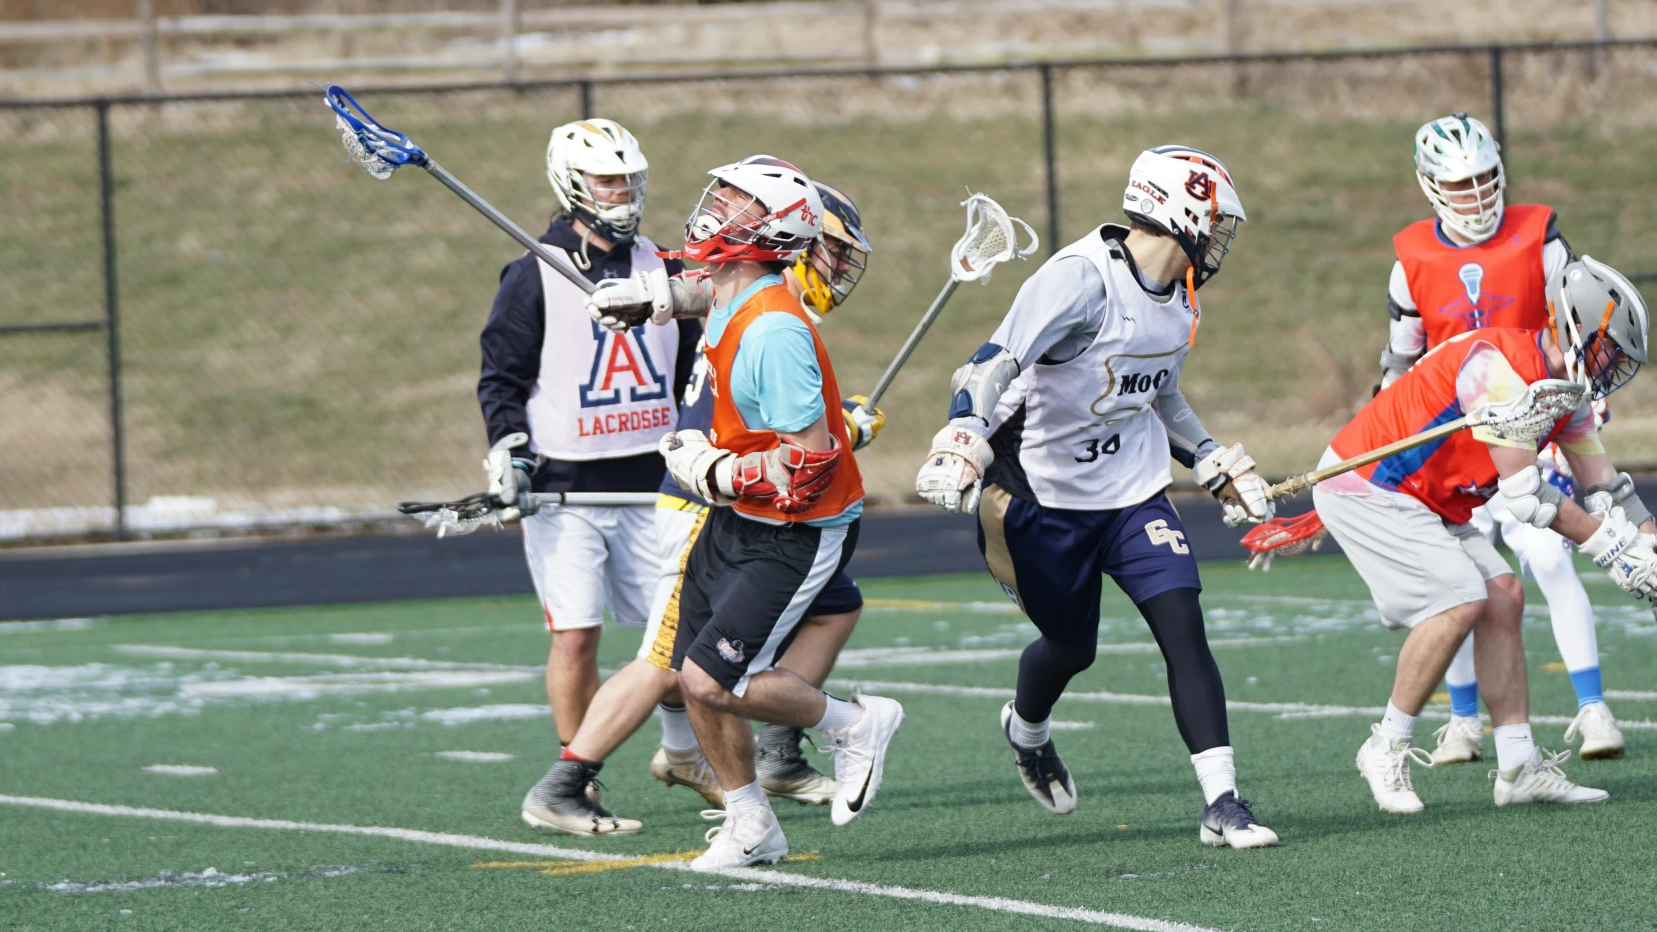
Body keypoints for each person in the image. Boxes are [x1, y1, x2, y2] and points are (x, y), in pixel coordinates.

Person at [915, 145, 1281, 850]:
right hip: (1043, 495)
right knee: (1071, 646)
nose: (1220, 240)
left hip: (1133, 492)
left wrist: (1211, 459)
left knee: (1183, 621)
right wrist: (960, 436)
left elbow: (1158, 388)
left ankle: (1222, 801)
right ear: (1184, 213)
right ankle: (1027, 729)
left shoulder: (1176, 297)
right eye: (1217, 222)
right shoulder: (1079, 280)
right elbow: (994, 362)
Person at [518, 184, 879, 834]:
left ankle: (761, 749)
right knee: (674, 662)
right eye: (828, 251)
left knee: (835, 607)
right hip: (711, 501)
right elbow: (793, 455)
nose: (833, 268)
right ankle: (567, 778)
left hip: (742, 494)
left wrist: (653, 299)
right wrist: (652, 301)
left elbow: (795, 441)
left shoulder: (755, 305)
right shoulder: (762, 313)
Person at [1315, 256, 1657, 816]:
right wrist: (1612, 550)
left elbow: (1607, 487)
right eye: (1611, 350)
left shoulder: (1563, 393)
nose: (1615, 365)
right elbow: (1526, 494)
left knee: (1504, 596)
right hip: (1369, 483)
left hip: (1426, 495)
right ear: (1578, 326)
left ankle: (1519, 766)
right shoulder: (1495, 366)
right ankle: (1386, 744)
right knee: (1459, 598)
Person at [650, 156, 904, 873]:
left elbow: (807, 463)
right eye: (722, 191)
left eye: (736, 200)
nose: (716, 204)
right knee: (684, 669)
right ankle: (751, 823)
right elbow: (696, 289)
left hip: (795, 527)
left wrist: (710, 466)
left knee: (710, 679)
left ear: (767, 231)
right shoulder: (731, 287)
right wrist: (642, 297)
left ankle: (855, 722)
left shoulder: (776, 330)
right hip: (737, 520)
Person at [1378, 113, 1624, 764]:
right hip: (1452, 444)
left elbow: (1575, 328)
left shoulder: (1539, 238)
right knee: (1458, 581)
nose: (1479, 195)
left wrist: (1585, 403)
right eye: (1461, 183)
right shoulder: (1411, 260)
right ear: (1430, 185)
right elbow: (1401, 362)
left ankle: (1593, 708)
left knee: (1546, 555)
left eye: (1486, 178)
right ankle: (1462, 721)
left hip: (1526, 425)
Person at [475, 119, 698, 818]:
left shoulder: (664, 270)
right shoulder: (533, 272)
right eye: (608, 179)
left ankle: (685, 754)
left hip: (656, 484)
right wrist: (508, 446)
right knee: (576, 635)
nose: (623, 191)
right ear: (574, 185)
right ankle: (579, 779)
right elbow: (500, 378)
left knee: (677, 640)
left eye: (630, 177)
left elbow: (694, 371)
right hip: (567, 491)